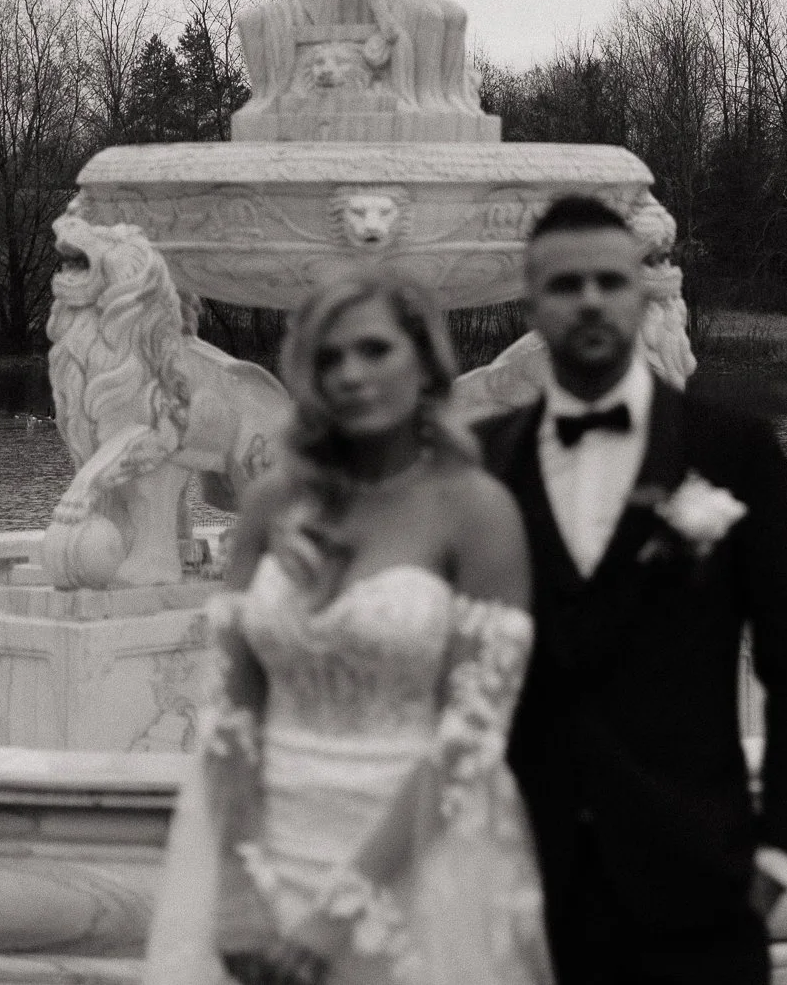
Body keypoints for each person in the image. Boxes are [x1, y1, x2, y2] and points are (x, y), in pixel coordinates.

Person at [145, 273, 551, 985]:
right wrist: (238, 883)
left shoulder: (478, 511)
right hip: (268, 848)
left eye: (374, 350)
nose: (351, 374)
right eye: (330, 358)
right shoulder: (272, 503)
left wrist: (343, 911)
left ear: (424, 363)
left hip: (415, 858)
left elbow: (472, 734)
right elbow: (232, 707)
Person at [478, 194, 787, 985]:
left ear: (643, 293)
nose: (591, 300)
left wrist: (779, 850)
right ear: (531, 305)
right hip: (519, 890)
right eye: (566, 285)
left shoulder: (736, 451)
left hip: (699, 889)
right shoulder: (481, 465)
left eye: (610, 279)